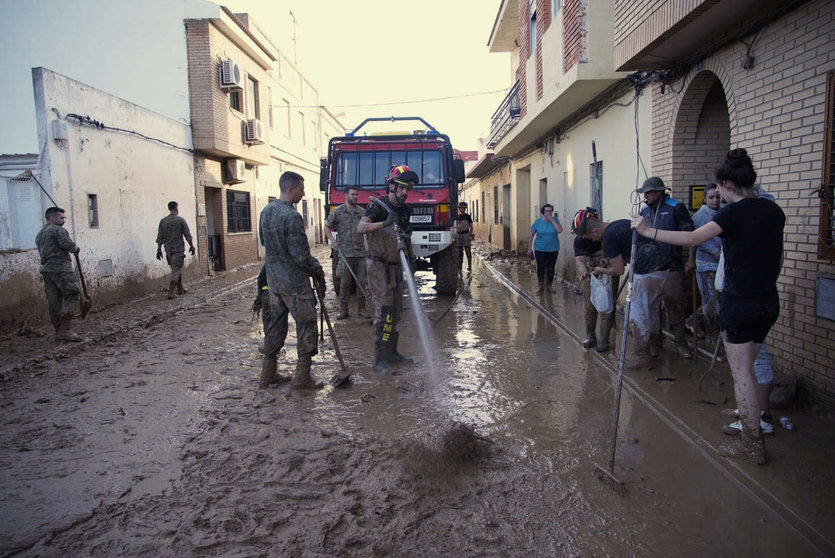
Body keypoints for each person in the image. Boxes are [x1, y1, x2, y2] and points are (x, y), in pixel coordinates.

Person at [631, 148, 785, 465]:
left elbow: (693, 239)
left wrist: (648, 231)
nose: (716, 194)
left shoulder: (731, 213)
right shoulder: (774, 211)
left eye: (718, 188)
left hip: (739, 303)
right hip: (768, 301)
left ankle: (751, 443)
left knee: (741, 373)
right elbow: (780, 257)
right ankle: (751, 415)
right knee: (751, 368)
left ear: (727, 184)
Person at [258, 171, 327, 390]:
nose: (303, 193)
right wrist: (316, 268)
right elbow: (300, 256)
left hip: (275, 282)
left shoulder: (266, 211)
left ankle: (267, 375)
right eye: (301, 189)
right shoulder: (292, 216)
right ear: (290, 189)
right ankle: (302, 378)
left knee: (275, 326)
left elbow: (264, 242)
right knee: (307, 326)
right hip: (295, 285)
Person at [357, 164, 417, 374]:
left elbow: (403, 236)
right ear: (391, 186)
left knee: (396, 312)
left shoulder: (405, 210)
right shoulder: (378, 206)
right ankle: (379, 360)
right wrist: (384, 223)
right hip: (378, 265)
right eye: (401, 188)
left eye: (407, 189)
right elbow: (361, 228)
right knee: (384, 312)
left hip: (396, 266)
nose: (404, 192)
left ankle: (393, 353)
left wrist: (411, 260)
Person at [633, 177, 695, 360]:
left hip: (672, 264)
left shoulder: (675, 208)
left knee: (673, 303)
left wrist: (691, 259)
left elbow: (690, 234)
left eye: (649, 192)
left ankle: (681, 343)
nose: (645, 196)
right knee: (651, 307)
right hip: (649, 267)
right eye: (644, 193)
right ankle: (654, 342)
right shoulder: (644, 211)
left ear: (659, 192)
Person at [572, 208, 619, 352]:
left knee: (607, 305)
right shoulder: (580, 240)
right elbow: (579, 260)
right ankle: (590, 335)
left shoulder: (610, 234)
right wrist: (584, 272)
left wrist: (607, 264)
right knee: (589, 306)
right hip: (591, 272)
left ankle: (604, 340)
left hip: (610, 271)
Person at [35, 206, 84, 342]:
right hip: (61, 269)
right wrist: (76, 248)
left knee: (54, 300)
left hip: (47, 270)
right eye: (61, 218)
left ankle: (58, 331)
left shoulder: (40, 234)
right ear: (52, 218)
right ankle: (66, 329)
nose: (64, 221)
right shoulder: (58, 230)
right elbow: (68, 245)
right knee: (72, 294)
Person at [324, 186, 369, 320]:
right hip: (345, 252)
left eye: (357, 195)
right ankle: (344, 310)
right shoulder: (338, 212)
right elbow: (326, 226)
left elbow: (366, 229)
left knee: (361, 282)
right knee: (344, 283)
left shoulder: (362, 212)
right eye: (353, 194)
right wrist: (332, 240)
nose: (356, 197)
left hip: (360, 252)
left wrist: (367, 244)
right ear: (346, 195)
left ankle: (362, 309)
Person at [691, 183, 722, 337]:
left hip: (721, 265)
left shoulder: (724, 212)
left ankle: (693, 322)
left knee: (718, 300)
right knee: (710, 301)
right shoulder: (700, 216)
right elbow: (698, 238)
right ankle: (712, 334)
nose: (715, 200)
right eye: (711, 197)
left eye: (717, 197)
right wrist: (715, 251)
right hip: (706, 264)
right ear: (704, 199)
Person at [156, 201, 195, 299]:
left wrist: (159, 250)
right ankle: (171, 291)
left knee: (176, 269)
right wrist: (192, 246)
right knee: (176, 270)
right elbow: (187, 235)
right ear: (176, 208)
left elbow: (159, 237)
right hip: (178, 249)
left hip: (168, 250)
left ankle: (180, 289)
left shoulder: (163, 221)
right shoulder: (180, 220)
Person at [527, 204, 564, 293]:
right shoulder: (538, 222)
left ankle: (549, 285)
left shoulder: (555, 220)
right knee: (541, 266)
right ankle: (540, 285)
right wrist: (529, 248)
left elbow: (559, 230)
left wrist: (552, 220)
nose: (549, 213)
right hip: (540, 248)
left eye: (550, 211)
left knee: (551, 267)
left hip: (553, 248)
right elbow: (531, 234)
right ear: (543, 212)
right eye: (547, 211)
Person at [455, 201, 474, 271]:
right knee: (459, 252)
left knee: (468, 250)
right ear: (459, 208)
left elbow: (471, 226)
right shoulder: (457, 217)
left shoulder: (468, 216)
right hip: (459, 235)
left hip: (466, 234)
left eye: (463, 208)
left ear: (465, 209)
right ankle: (459, 266)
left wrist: (470, 235)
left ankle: (469, 265)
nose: (462, 209)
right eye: (461, 208)